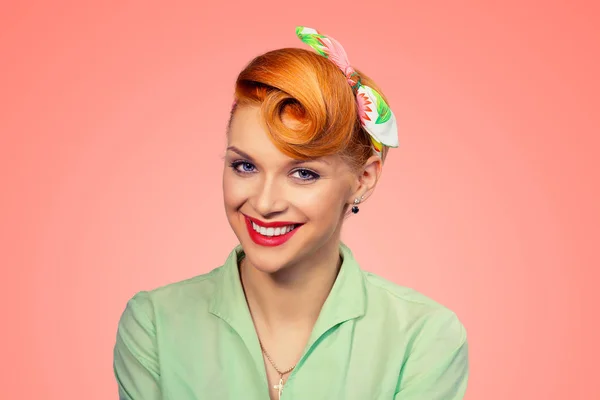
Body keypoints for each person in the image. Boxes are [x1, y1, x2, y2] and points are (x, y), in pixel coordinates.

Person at [113, 26, 469, 400]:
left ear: (363, 179)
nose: (265, 204)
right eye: (245, 167)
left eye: (303, 173)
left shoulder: (423, 338)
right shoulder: (154, 323)